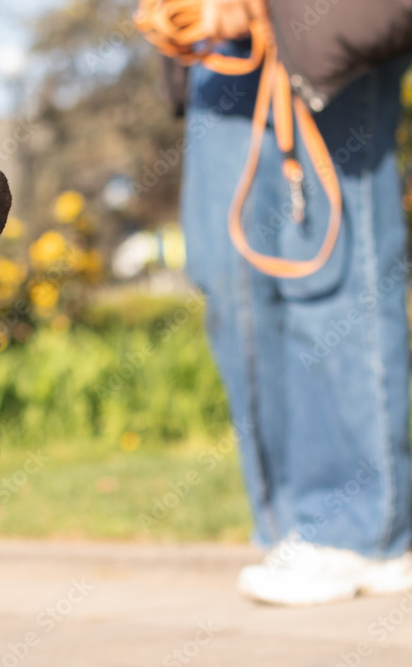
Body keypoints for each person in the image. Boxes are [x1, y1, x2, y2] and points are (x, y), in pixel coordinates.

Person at [179, 0, 412, 605]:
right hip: (218, 48)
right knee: (229, 279)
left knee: (332, 269)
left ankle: (364, 529)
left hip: (325, 24)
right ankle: (299, 528)